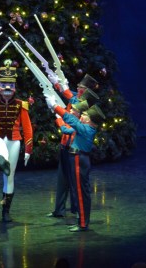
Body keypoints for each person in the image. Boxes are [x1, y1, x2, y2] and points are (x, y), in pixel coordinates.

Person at [0, 60, 33, 222]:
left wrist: (28, 150)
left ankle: (5, 211)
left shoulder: (21, 106)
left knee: (9, 177)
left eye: (10, 84)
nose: (7, 88)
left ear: (15, 87)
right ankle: (1, 158)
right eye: (3, 84)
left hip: (15, 140)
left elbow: (28, 127)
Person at [45, 92, 105, 232]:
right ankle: (82, 221)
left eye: (85, 116)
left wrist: (55, 106)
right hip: (76, 158)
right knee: (79, 191)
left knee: (80, 191)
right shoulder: (86, 128)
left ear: (90, 121)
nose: (82, 116)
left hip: (79, 159)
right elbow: (70, 124)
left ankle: (83, 223)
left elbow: (72, 121)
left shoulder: (87, 129)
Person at [46, 100, 87, 219]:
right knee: (62, 181)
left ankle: (79, 213)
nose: (70, 110)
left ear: (79, 113)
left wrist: (58, 118)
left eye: (73, 110)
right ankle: (59, 210)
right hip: (64, 150)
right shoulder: (70, 118)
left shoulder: (79, 123)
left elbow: (66, 131)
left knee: (74, 184)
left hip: (73, 153)